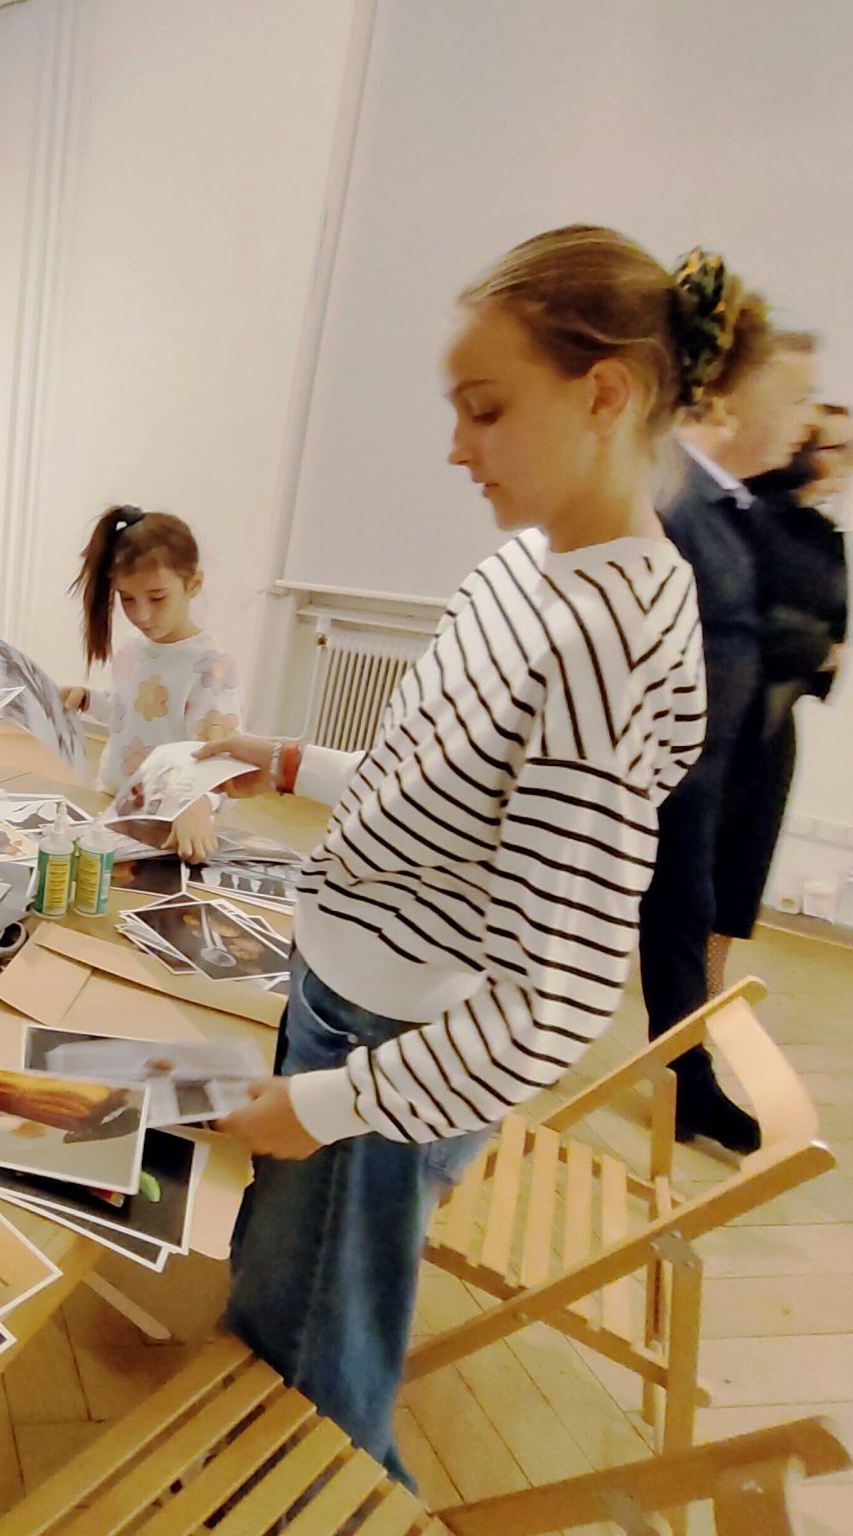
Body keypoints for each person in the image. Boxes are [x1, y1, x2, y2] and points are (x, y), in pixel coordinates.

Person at [194, 226, 716, 1480]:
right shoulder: (525, 562)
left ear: (603, 394)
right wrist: (284, 764)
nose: (454, 446)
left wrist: (322, 1110)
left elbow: (554, 999)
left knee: (308, 1378)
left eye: (485, 411)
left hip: (384, 1060)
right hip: (348, 1010)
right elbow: (437, 787)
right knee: (288, 1313)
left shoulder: (606, 638)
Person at [640, 307, 818, 1154]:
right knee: (670, 919)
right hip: (661, 777)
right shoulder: (679, 497)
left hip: (704, 777)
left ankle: (687, 1083)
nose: (806, 420)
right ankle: (686, 1082)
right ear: (736, 403)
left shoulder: (732, 506)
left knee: (685, 919)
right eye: (795, 398)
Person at [711, 405, 853, 987]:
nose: (851, 463)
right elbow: (746, 623)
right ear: (803, 452)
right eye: (838, 449)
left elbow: (838, 636)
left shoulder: (827, 539)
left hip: (775, 726)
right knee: (683, 872)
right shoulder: (750, 517)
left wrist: (806, 641)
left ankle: (701, 1011)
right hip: (723, 718)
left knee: (739, 877)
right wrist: (806, 641)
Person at [59, 506, 242, 860]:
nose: (141, 613)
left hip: (173, 821)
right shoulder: (133, 646)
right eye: (127, 598)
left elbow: (223, 755)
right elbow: (129, 713)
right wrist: (88, 700)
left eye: (157, 598)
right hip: (115, 802)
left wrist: (199, 802)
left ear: (193, 585)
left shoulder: (210, 663)